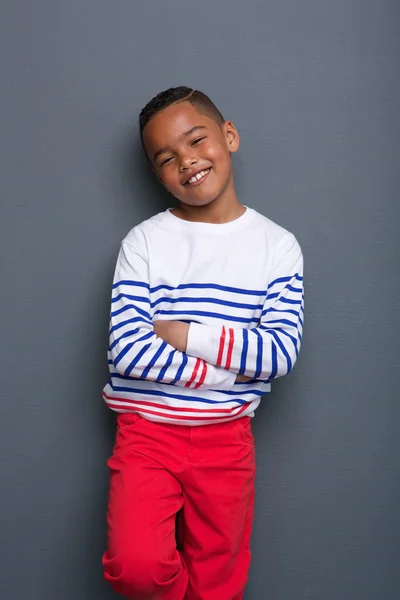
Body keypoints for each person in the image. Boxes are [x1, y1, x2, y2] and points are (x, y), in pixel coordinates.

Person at [102, 86, 304, 600]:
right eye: (167, 158)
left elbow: (279, 353)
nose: (187, 162)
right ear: (157, 173)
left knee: (219, 582)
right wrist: (228, 372)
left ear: (228, 136)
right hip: (147, 433)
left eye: (196, 141)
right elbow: (126, 351)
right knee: (137, 567)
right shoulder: (144, 242)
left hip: (226, 439)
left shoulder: (277, 247)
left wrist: (181, 333)